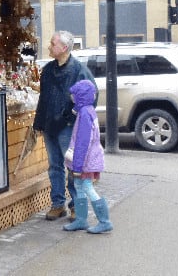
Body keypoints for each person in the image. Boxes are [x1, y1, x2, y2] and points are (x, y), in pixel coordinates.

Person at [33, 30, 94, 221]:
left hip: (68, 127)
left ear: (64, 48)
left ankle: (76, 206)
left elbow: (90, 96)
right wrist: (39, 122)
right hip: (50, 125)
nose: (49, 47)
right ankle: (58, 204)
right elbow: (43, 98)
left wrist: (70, 116)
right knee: (54, 166)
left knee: (73, 168)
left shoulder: (79, 70)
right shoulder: (48, 70)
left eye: (52, 44)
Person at [63, 79, 111, 234]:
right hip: (89, 158)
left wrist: (77, 167)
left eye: (74, 95)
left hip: (85, 160)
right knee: (79, 186)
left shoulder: (84, 114)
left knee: (87, 187)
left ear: (80, 96)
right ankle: (81, 219)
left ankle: (104, 221)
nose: (72, 97)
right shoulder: (88, 110)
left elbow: (82, 143)